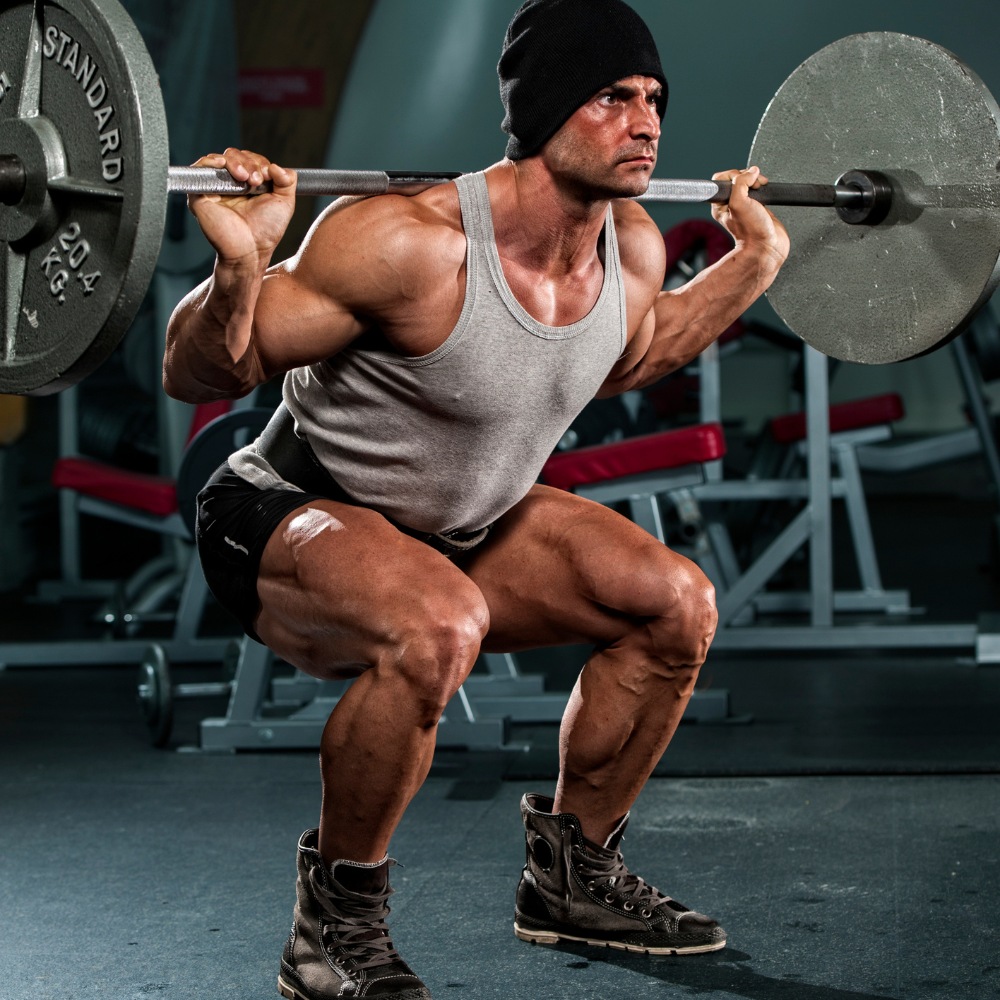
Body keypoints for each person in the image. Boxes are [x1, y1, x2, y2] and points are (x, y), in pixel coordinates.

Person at [163, 1, 789, 996]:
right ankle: (330, 929)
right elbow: (200, 372)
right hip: (283, 508)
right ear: (541, 115)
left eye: (653, 98)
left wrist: (754, 262)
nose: (645, 122)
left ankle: (571, 877)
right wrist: (239, 269)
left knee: (675, 605)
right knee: (436, 624)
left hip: (462, 521)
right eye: (610, 98)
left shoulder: (630, 249)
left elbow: (635, 350)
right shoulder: (408, 246)